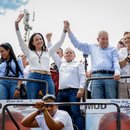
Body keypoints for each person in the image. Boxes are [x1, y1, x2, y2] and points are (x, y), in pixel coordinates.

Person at [15, 14, 67, 99]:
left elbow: (60, 42)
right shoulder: (29, 52)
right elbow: (20, 41)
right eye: (36, 39)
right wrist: (16, 25)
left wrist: (64, 31)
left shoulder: (48, 51)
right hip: (33, 76)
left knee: (51, 100)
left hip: (47, 77)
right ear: (32, 43)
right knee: (32, 102)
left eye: (40, 39)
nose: (39, 41)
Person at [64, 21, 120, 99]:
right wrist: (69, 30)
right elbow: (77, 44)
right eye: (103, 39)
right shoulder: (92, 47)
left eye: (107, 39)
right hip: (96, 77)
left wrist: (117, 72)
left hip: (110, 77)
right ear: (98, 39)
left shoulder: (113, 49)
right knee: (96, 100)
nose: (105, 41)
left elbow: (115, 61)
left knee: (111, 99)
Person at [50, 47, 86, 129]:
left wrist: (81, 88)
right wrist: (49, 41)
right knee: (60, 113)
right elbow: (52, 52)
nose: (69, 53)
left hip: (73, 91)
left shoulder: (78, 64)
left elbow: (82, 76)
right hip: (61, 92)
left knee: (75, 112)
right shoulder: (60, 63)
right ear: (64, 55)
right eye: (67, 52)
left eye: (71, 52)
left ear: (74, 55)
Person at [118, 32, 130, 98]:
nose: (127, 40)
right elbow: (120, 65)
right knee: (122, 105)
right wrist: (127, 58)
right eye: (125, 39)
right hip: (122, 82)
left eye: (128, 38)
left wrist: (124, 61)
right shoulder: (121, 51)